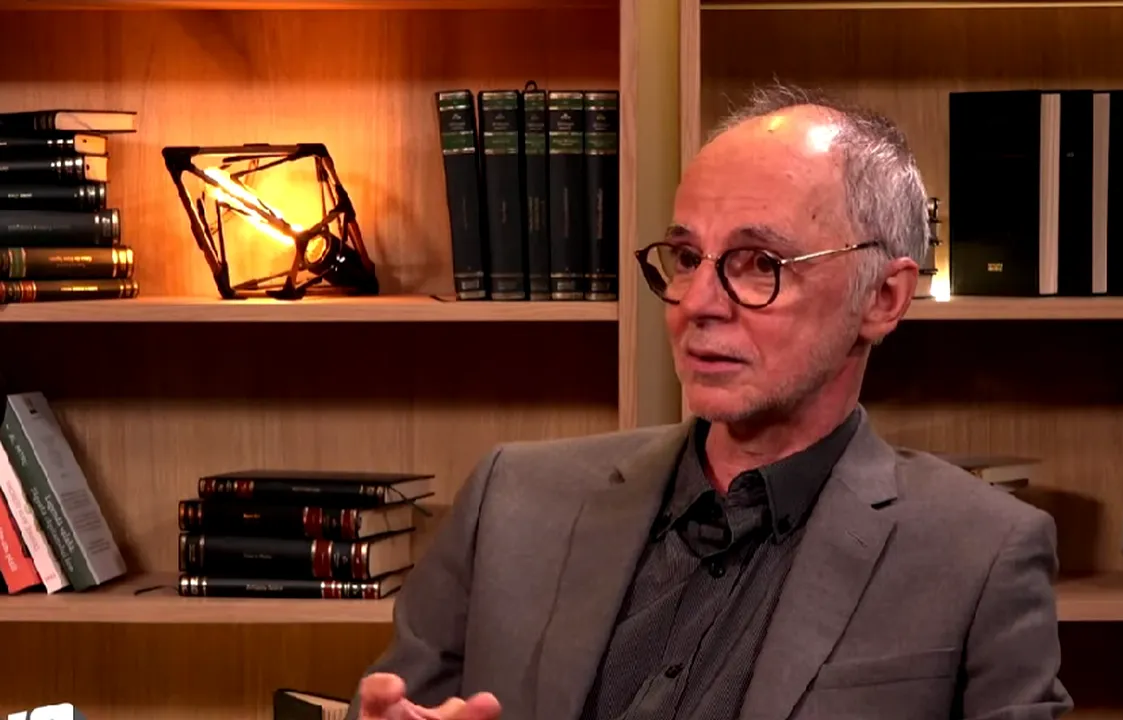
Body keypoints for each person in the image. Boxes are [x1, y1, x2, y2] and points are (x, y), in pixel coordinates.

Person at [348, 83, 1073, 720]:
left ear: (883, 298)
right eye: (688, 257)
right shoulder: (510, 499)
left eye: (760, 263)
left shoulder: (981, 553)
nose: (697, 303)